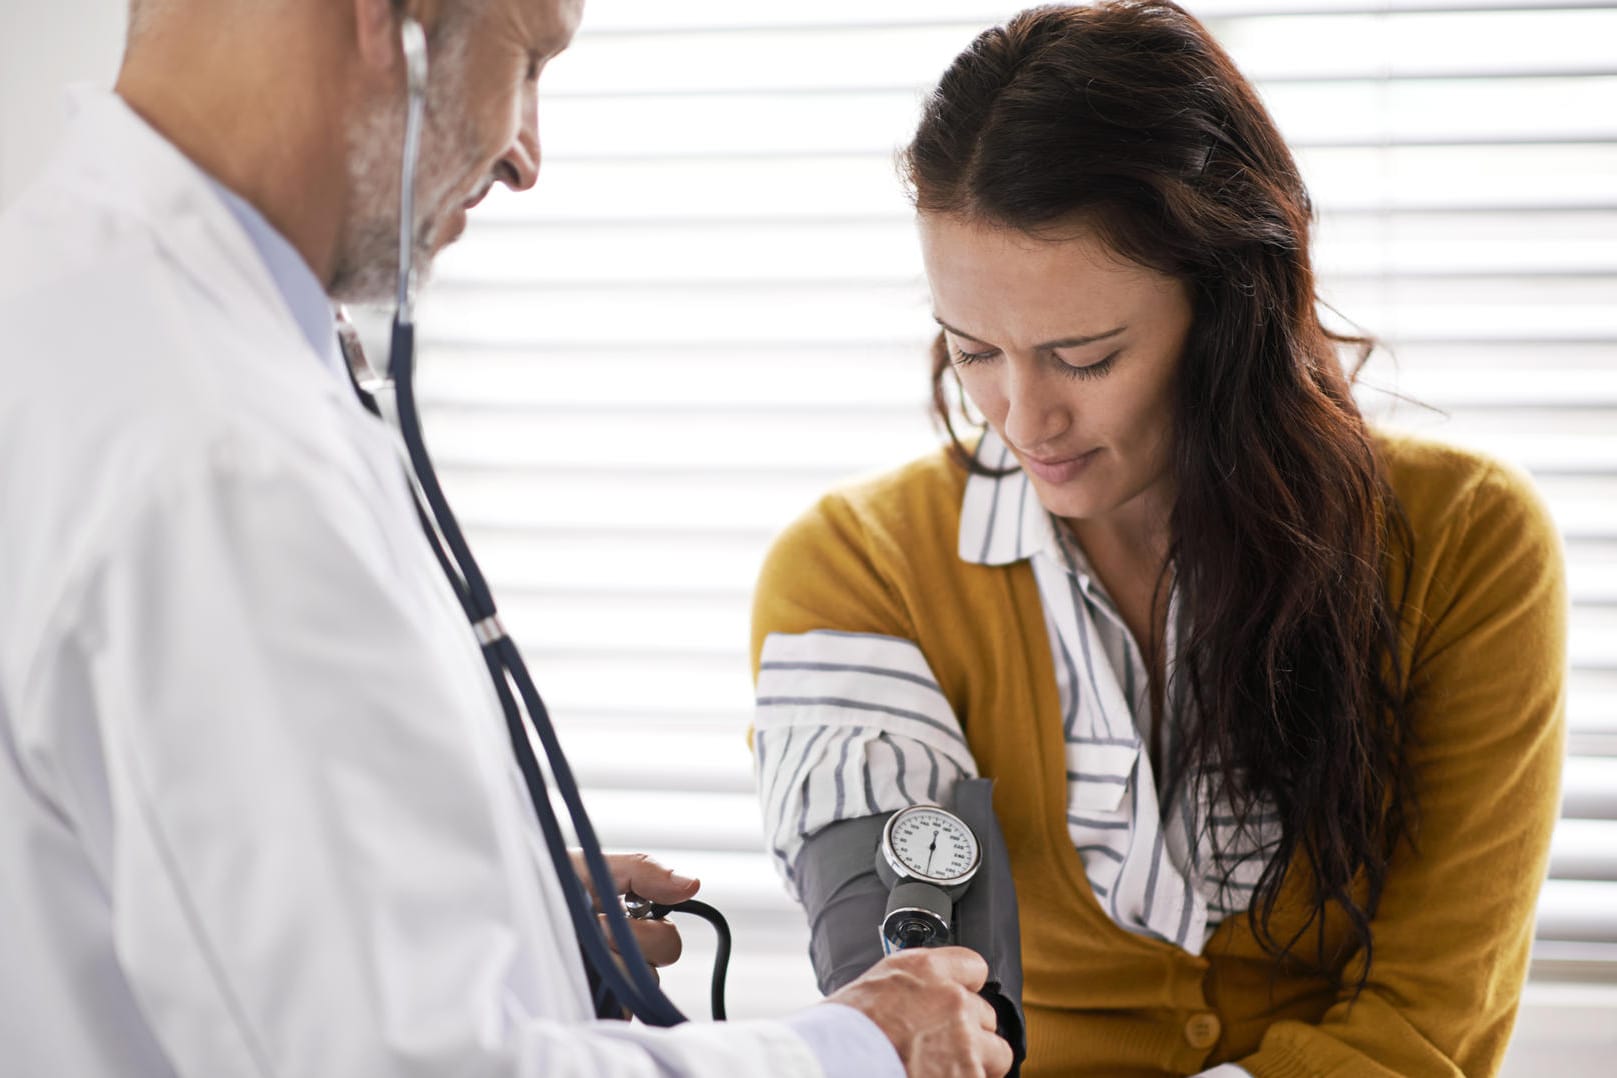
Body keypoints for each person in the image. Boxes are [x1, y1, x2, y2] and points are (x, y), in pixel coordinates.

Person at [0, 1, 1013, 1076]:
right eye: (527, 60)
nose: (527, 154)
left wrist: (507, 900)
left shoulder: (70, 309)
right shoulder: (222, 455)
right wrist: (860, 1048)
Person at [749, 3, 1567, 1076]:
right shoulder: (858, 569)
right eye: (972, 350)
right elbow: (917, 995)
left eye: (1084, 356)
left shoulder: (1463, 542)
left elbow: (1425, 1022)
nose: (1022, 418)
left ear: (1231, 309)